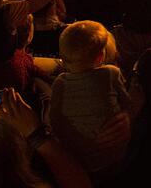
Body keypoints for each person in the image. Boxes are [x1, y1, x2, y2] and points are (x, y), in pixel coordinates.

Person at [49, 20, 133, 174]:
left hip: (79, 159)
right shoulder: (111, 73)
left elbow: (54, 119)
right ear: (101, 56)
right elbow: (127, 103)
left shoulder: (60, 83)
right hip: (114, 153)